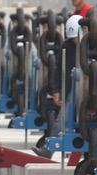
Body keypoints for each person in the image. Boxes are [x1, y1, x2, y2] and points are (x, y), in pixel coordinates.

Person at [32, 15, 81, 158]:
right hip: (71, 88)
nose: (74, 40)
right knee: (63, 118)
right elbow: (59, 69)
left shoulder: (96, 45)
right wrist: (56, 90)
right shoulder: (67, 46)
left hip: (91, 89)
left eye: (76, 37)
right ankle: (49, 149)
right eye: (72, 37)